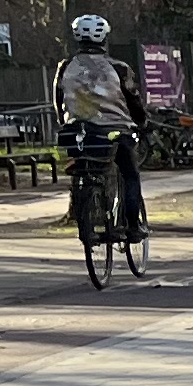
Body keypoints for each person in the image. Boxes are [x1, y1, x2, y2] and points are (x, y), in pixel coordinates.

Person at [52, 14, 146, 240]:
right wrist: (142, 122)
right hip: (115, 130)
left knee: (85, 169)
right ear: (104, 38)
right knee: (130, 174)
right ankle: (133, 227)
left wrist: (64, 121)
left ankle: (87, 213)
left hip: (79, 133)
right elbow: (133, 99)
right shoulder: (119, 68)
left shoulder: (65, 67)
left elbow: (58, 99)